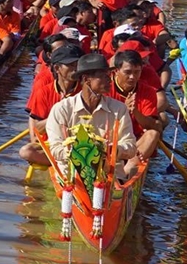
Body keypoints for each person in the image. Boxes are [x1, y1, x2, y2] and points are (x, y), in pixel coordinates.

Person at [43, 51, 140, 181]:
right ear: (86, 80)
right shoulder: (62, 109)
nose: (109, 80)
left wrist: (113, 150)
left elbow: (131, 147)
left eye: (108, 75)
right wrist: (78, 153)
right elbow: (55, 148)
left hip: (109, 176)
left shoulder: (119, 109)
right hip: (70, 177)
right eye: (103, 76)